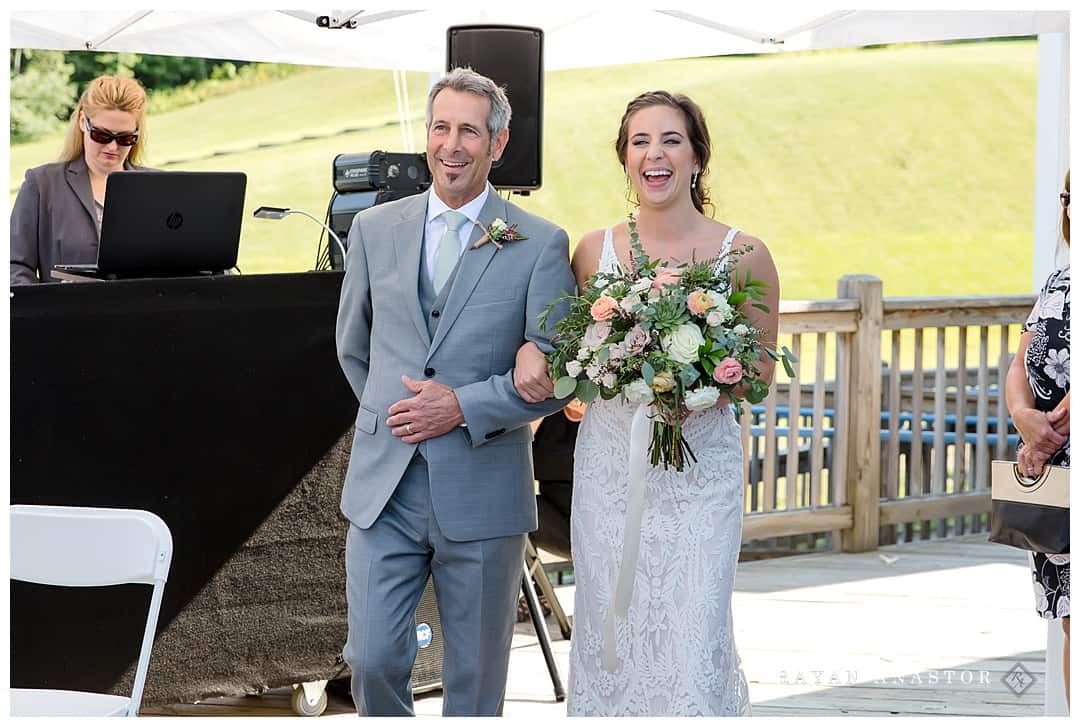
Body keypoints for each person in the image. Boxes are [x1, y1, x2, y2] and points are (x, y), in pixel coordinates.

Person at [515, 90, 779, 715]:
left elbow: (760, 377)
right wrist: (590, 380)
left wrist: (698, 375)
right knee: (614, 621)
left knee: (694, 629)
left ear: (696, 158)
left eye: (670, 140)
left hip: (698, 480)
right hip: (610, 476)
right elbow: (571, 362)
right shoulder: (591, 253)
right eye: (640, 141)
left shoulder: (746, 255)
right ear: (625, 159)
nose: (654, 154)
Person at [334, 67, 575, 717]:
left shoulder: (538, 242)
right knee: (373, 659)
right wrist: (395, 416)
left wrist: (463, 407)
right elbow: (353, 348)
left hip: (483, 485)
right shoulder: (374, 230)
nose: (452, 144)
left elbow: (559, 374)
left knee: (474, 681)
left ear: (497, 145)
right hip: (385, 484)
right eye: (441, 127)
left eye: (469, 130)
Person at [1005, 169, 1070, 707]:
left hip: (1057, 447)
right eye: (1070, 195)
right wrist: (1022, 412)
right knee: (1071, 619)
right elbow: (1020, 358)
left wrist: (1047, 433)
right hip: (1053, 466)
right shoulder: (1059, 279)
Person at [10, 75, 149, 285]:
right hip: (63, 316)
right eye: (102, 135)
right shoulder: (41, 184)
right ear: (83, 122)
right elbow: (14, 267)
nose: (112, 147)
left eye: (124, 139)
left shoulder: (155, 186)